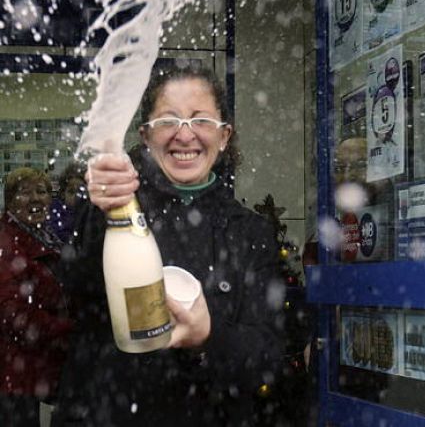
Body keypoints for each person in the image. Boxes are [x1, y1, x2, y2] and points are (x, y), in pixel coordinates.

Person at [53, 65, 285, 427]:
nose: (184, 134)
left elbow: (266, 359)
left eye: (200, 119)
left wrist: (208, 336)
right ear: (146, 136)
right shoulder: (117, 205)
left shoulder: (250, 232)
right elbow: (75, 285)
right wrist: (98, 203)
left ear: (224, 136)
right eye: (168, 120)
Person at [0, 167, 72, 427]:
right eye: (24, 192)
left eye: (41, 191)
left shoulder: (45, 237)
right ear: (9, 201)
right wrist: (70, 330)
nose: (35, 199)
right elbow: (12, 313)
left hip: (36, 368)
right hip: (14, 373)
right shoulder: (7, 243)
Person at [49, 162, 86, 243]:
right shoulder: (57, 213)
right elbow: (59, 233)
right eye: (71, 192)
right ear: (63, 194)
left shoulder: (91, 212)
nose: (77, 196)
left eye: (81, 191)